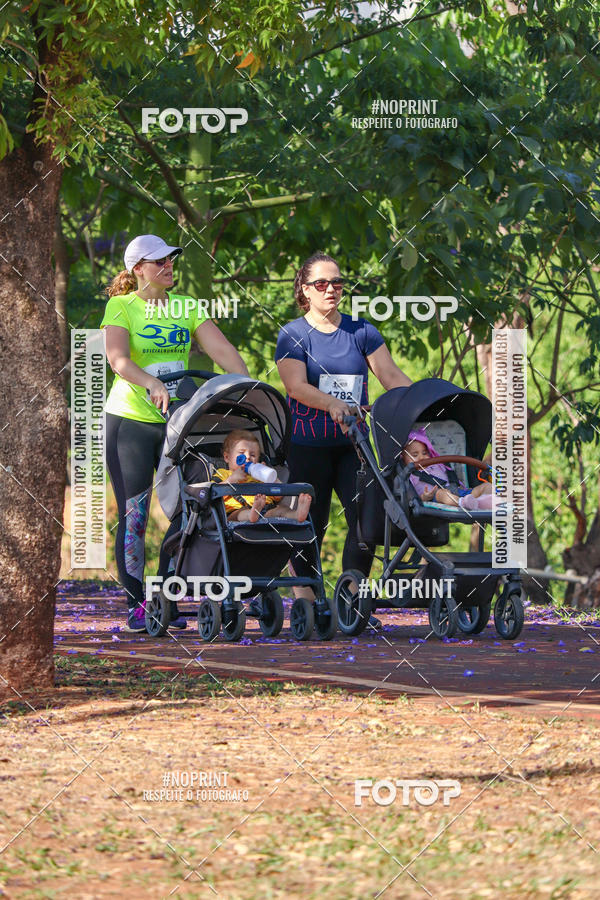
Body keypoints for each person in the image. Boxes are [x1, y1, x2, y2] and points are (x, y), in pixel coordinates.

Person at [102, 234, 249, 632]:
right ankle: (136, 605)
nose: (169, 266)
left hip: (177, 424)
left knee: (191, 507)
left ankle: (164, 595)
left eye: (171, 260)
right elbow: (118, 360)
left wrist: (245, 385)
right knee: (135, 517)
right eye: (159, 261)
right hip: (129, 423)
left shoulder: (186, 306)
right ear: (138, 270)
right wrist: (150, 381)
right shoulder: (122, 306)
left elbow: (222, 350)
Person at [275, 252, 412, 625]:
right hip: (307, 445)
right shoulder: (293, 335)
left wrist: (422, 403)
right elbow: (296, 387)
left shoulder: (361, 332)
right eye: (321, 284)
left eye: (337, 283)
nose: (331, 289)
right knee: (308, 523)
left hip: (354, 445)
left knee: (366, 522)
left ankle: (350, 600)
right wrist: (333, 403)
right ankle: (305, 598)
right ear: (305, 290)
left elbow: (390, 375)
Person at [213, 430, 312, 523]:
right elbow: (212, 494)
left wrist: (271, 478)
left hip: (266, 509)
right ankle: (252, 513)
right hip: (236, 511)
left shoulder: (259, 476)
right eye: (242, 453)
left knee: (281, 510)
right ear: (227, 457)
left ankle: (296, 514)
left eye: (253, 455)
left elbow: (279, 495)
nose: (248, 457)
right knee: (241, 513)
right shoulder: (224, 474)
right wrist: (232, 479)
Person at [402, 429, 493, 510]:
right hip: (435, 498)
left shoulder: (438, 464)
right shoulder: (409, 475)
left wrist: (460, 486)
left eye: (425, 453)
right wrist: (424, 497)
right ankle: (463, 503)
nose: (421, 457)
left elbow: (450, 477)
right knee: (442, 493)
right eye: (414, 455)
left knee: (487, 486)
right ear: (403, 458)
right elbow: (411, 498)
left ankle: (485, 502)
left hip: (458, 492)